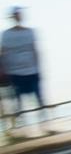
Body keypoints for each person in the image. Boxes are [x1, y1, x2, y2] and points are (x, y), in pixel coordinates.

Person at [2, 7, 46, 135]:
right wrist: (5, 70)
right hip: (15, 72)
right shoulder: (6, 34)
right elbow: (3, 53)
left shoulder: (30, 32)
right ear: (13, 17)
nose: (19, 16)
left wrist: (39, 68)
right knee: (18, 103)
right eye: (17, 14)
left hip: (32, 70)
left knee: (39, 100)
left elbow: (35, 50)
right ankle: (23, 129)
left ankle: (43, 126)